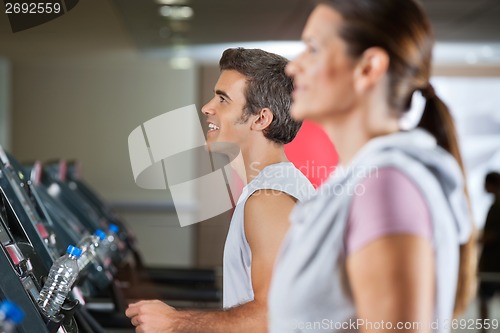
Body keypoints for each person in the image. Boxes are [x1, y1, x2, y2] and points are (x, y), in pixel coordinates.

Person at [268, 1, 477, 332]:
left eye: (312, 49)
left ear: (368, 68)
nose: (294, 67)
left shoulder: (384, 184)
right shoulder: (362, 180)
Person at [125, 47, 314, 333]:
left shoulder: (268, 199)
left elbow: (273, 317)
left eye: (223, 99)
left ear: (261, 119)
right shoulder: (274, 189)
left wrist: (177, 323)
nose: (206, 107)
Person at [478, 171, 500, 332]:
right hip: (492, 264)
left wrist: (480, 239)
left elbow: (496, 233)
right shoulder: (494, 204)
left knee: (484, 299)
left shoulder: (497, 206)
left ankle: (484, 330)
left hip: (494, 264)